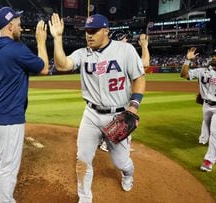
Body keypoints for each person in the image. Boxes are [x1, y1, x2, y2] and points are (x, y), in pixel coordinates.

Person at [49, 13, 146, 202]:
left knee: (121, 162)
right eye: (87, 32)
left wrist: (134, 106)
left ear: (106, 31)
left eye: (93, 31)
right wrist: (57, 39)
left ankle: (128, 175)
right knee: (83, 158)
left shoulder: (125, 50)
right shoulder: (82, 53)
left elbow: (139, 78)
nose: (89, 35)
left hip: (119, 114)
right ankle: (84, 198)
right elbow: (62, 65)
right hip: (91, 115)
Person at [0, 7, 49, 202]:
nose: (21, 27)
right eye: (18, 24)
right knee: (8, 167)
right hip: (10, 118)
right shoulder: (16, 49)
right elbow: (43, 68)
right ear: (10, 27)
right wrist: (41, 42)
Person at [99, 31, 150, 152]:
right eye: (125, 39)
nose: (127, 41)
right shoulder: (121, 55)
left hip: (107, 94)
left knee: (108, 118)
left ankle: (104, 141)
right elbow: (145, 64)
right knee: (123, 120)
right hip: (117, 96)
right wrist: (144, 46)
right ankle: (108, 144)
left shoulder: (106, 53)